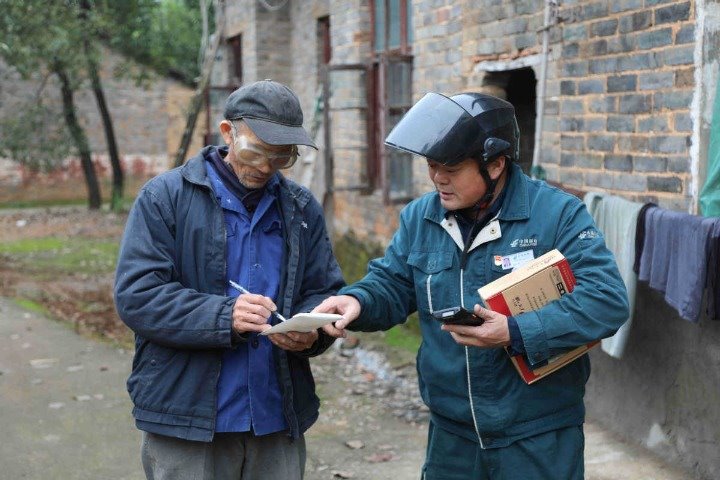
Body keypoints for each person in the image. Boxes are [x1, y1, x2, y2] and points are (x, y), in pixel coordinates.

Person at [315, 91, 629, 479]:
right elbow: (393, 283)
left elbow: (607, 301)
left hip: (538, 436)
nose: (437, 178)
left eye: (450, 167)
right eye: (431, 165)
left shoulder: (557, 214)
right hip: (453, 438)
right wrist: (357, 302)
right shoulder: (420, 217)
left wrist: (514, 330)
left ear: (494, 165)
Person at [114, 79, 344, 480]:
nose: (264, 166)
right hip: (187, 418)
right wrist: (224, 315)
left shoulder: (301, 207)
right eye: (255, 150)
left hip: (275, 414)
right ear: (228, 132)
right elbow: (138, 295)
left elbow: (323, 290)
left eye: (281, 157)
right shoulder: (165, 197)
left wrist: (312, 332)